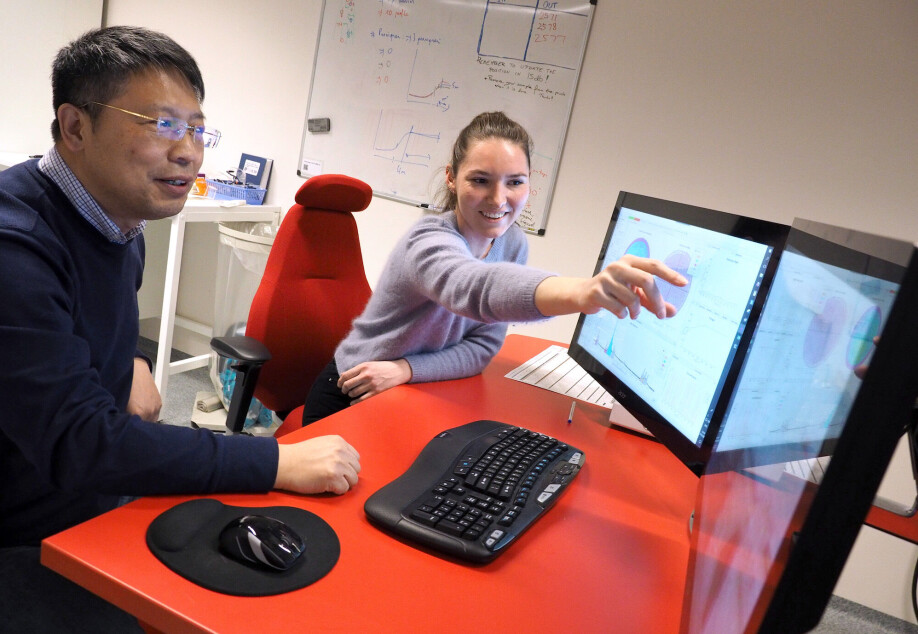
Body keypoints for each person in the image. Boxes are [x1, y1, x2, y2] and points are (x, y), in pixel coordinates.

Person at [0, 26, 359, 631]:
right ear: (76, 126)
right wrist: (272, 461)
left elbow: (80, 323)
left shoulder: (116, 221)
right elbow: (80, 443)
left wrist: (133, 362)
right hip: (24, 525)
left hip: (86, 495)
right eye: (162, 124)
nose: (190, 151)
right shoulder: (14, 248)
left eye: (196, 129)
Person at [303, 111, 688, 424]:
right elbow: (475, 288)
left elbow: (482, 347)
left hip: (407, 385)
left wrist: (407, 368)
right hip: (353, 390)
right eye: (480, 180)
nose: (499, 199)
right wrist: (583, 292)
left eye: (514, 182)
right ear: (452, 178)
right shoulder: (426, 241)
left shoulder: (512, 243)